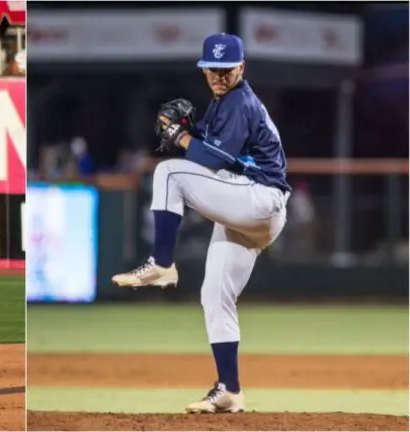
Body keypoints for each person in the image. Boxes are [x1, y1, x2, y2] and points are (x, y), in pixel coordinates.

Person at [112, 33, 291, 414]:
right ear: (205, 69)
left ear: (241, 68)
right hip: (251, 210)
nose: (220, 75)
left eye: (227, 69)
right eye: (213, 68)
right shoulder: (223, 103)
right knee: (215, 296)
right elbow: (212, 153)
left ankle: (161, 264)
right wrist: (193, 135)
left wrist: (180, 136)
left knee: (168, 174)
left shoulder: (240, 101)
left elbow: (214, 161)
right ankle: (230, 390)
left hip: (258, 198)